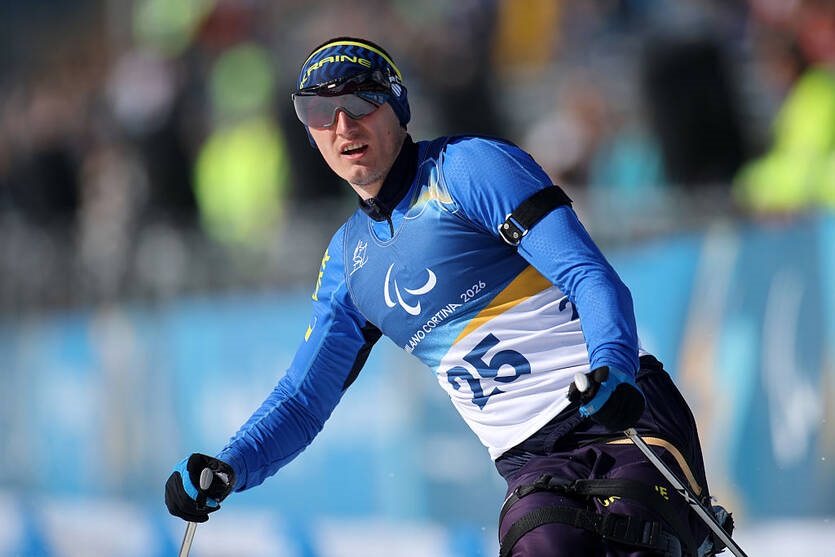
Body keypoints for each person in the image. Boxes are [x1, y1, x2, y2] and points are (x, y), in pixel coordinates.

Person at [165, 37, 732, 556]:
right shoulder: (347, 263)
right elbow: (302, 400)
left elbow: (588, 273)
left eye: (360, 103)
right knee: (545, 546)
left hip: (619, 414)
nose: (342, 126)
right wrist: (228, 466)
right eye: (319, 112)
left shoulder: (468, 168)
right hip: (531, 464)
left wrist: (614, 368)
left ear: (397, 107)